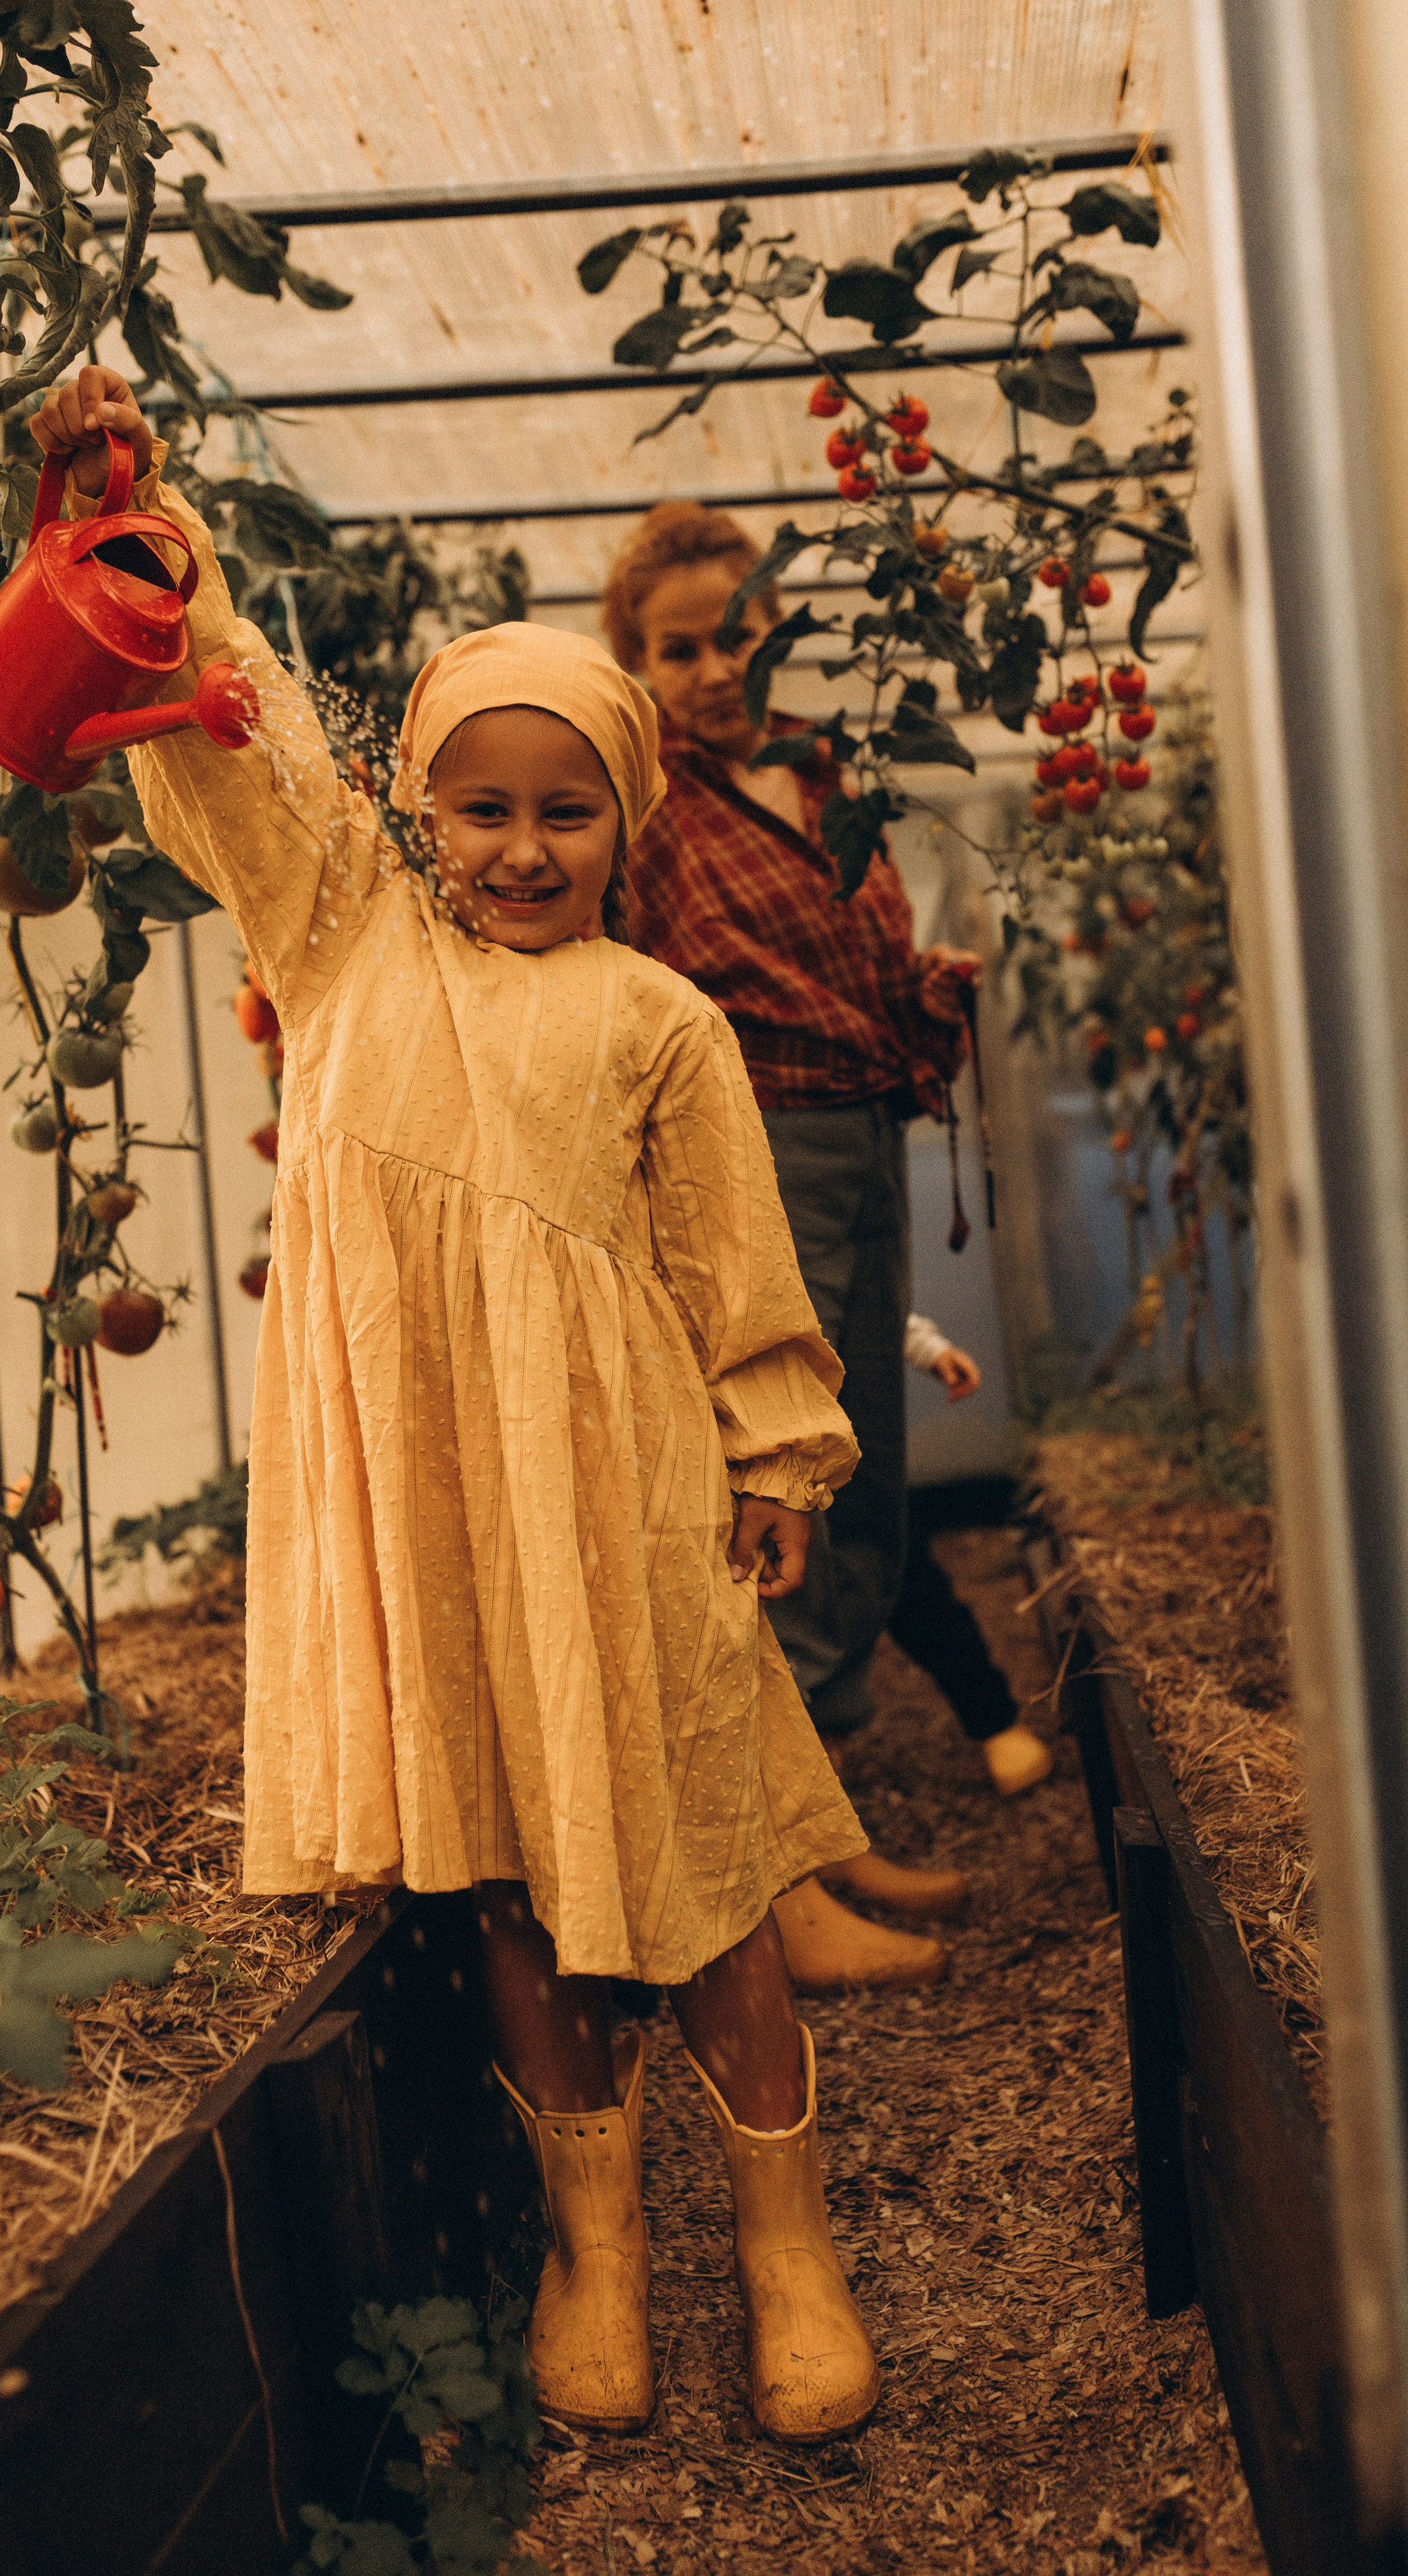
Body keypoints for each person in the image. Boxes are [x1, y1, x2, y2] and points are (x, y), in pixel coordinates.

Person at [28, 369, 887, 2444]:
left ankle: (788, 2241)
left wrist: (773, 1447)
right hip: (432, 1497)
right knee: (510, 1868)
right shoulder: (336, 945)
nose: (519, 845)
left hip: (620, 1488)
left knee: (685, 1854)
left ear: (630, 817)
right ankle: (599, 2241)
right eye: (480, 807)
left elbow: (732, 1274)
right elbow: (239, 754)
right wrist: (138, 544)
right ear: (419, 810)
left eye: (564, 807)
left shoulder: (658, 1018)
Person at [606, 504, 978, 1929]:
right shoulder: (648, 808)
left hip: (860, 1130)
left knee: (865, 1458)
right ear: (637, 668)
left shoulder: (825, 780)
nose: (715, 667)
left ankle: (816, 1820)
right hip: (756, 1148)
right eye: (678, 647)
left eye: (740, 632)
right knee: (792, 1468)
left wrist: (914, 984)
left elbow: (837, 961)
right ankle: (789, 1864)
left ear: (782, 631)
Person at [892, 1318, 1054, 1797]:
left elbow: (872, 1291)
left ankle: (994, 1721)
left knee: (913, 1585)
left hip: (845, 1445)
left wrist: (925, 1347)